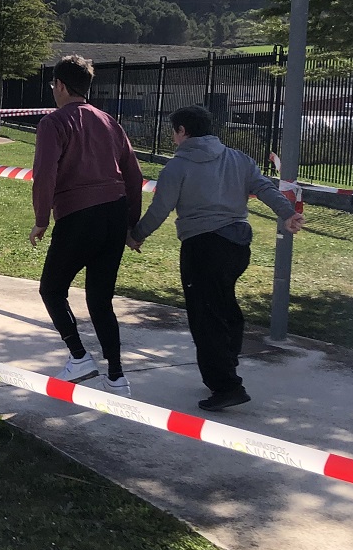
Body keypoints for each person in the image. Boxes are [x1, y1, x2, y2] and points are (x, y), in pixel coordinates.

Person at [128, 104, 304, 411]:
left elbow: (160, 209)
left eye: (174, 131)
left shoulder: (177, 167)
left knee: (205, 317)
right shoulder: (238, 158)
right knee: (224, 304)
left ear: (183, 131)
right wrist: (287, 213)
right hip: (237, 245)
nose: (172, 139)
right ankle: (227, 362)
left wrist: (137, 234)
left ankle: (226, 385)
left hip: (202, 246)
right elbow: (264, 187)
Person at [30, 55, 145, 396]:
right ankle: (117, 376)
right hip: (114, 213)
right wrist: (130, 224)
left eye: (53, 85)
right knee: (100, 298)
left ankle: (79, 356)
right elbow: (135, 176)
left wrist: (41, 220)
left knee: (51, 288)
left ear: (61, 85)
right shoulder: (110, 121)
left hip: (79, 214)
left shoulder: (53, 123)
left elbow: (44, 175)